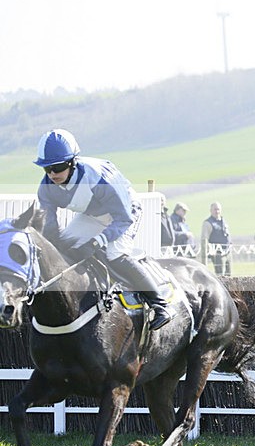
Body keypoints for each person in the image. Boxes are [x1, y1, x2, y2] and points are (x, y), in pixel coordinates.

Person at [34, 128, 173, 329]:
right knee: (65, 249)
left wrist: (96, 242)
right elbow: (50, 229)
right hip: (92, 215)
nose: (52, 174)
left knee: (114, 254)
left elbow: (123, 218)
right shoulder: (46, 188)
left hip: (125, 212)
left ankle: (161, 304)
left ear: (72, 162)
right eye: (47, 168)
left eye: (58, 167)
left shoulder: (98, 177)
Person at [200, 201, 231, 276]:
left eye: (218, 209)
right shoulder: (208, 223)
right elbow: (204, 238)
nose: (217, 211)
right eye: (215, 209)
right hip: (217, 253)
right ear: (210, 210)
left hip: (227, 251)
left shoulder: (223, 221)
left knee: (228, 274)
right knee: (220, 274)